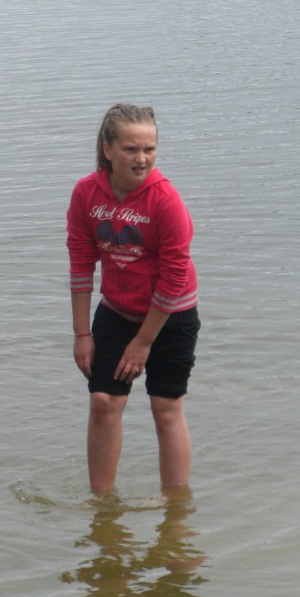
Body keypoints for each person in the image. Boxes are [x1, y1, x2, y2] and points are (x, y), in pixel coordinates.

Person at [66, 103, 200, 495]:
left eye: (149, 149)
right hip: (116, 311)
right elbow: (80, 263)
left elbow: (174, 277)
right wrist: (81, 334)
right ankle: (102, 504)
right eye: (131, 149)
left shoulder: (166, 200)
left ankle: (175, 512)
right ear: (107, 149)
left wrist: (143, 342)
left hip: (171, 315)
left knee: (166, 408)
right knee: (103, 402)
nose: (141, 158)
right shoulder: (86, 193)